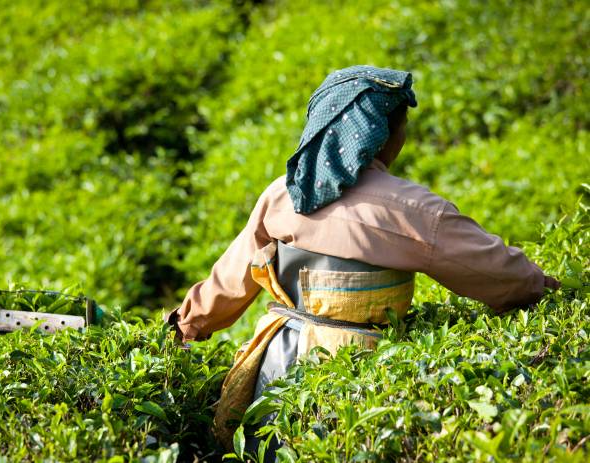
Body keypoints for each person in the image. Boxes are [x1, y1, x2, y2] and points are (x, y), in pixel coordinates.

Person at [165, 65, 560, 454]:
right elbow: (501, 275)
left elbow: (230, 282)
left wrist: (185, 326)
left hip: (271, 371)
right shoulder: (412, 209)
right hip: (356, 380)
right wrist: (546, 288)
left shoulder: (283, 194)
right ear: (385, 134)